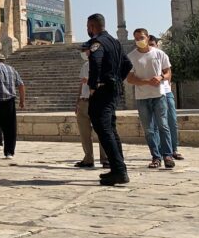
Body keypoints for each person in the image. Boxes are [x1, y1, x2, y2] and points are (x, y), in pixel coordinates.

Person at [85, 13, 133, 186]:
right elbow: (128, 64)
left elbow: (96, 63)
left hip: (103, 91)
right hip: (113, 90)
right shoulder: (115, 42)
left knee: (104, 129)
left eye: (88, 27)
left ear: (92, 26)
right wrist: (117, 80)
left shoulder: (97, 43)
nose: (87, 30)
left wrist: (93, 85)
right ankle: (118, 168)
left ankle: (119, 171)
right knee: (110, 129)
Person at [127, 28, 175, 169]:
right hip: (142, 97)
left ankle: (168, 155)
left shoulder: (159, 54)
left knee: (163, 126)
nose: (139, 40)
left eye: (141, 37)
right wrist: (146, 81)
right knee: (148, 129)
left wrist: (161, 77)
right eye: (136, 38)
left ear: (148, 37)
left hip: (159, 95)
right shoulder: (131, 57)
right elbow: (130, 78)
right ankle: (155, 157)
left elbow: (168, 73)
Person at [149, 35, 183, 160]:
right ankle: (160, 151)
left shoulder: (162, 55)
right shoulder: (144, 58)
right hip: (151, 94)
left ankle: (173, 149)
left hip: (166, 92)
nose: (151, 47)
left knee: (172, 121)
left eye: (152, 44)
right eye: (149, 44)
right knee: (155, 124)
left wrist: (166, 83)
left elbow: (168, 72)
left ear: (157, 45)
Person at [74, 43, 108, 168]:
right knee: (84, 132)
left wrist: (89, 81)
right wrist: (77, 101)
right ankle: (88, 158)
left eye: (85, 50)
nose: (83, 52)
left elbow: (105, 82)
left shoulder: (102, 65)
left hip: (97, 100)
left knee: (101, 131)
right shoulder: (85, 65)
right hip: (84, 101)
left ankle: (105, 159)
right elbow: (81, 84)